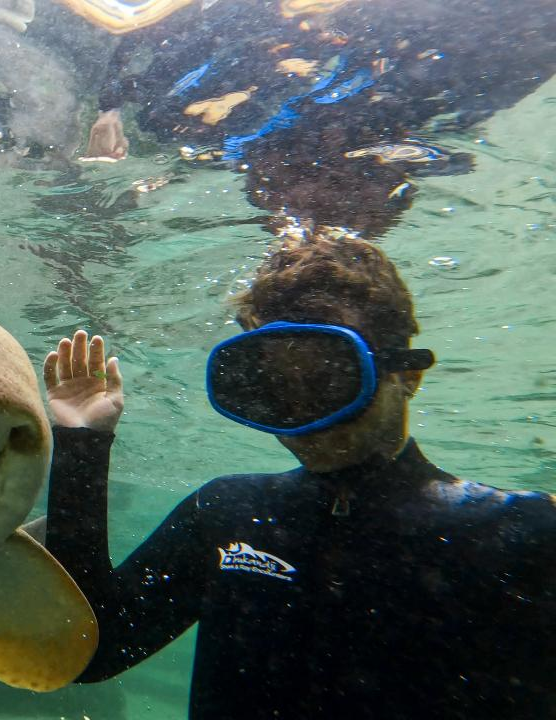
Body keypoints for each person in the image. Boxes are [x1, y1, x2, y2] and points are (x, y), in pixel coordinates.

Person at [41, 235, 556, 719]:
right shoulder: (226, 514)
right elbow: (87, 651)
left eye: (329, 380)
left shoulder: (522, 534)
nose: (301, 417)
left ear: (406, 374)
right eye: (271, 388)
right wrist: (82, 444)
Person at [74, 0, 555, 236]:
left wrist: (109, 106)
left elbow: (151, 27)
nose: (274, 208)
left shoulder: (198, 127)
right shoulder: (452, 92)